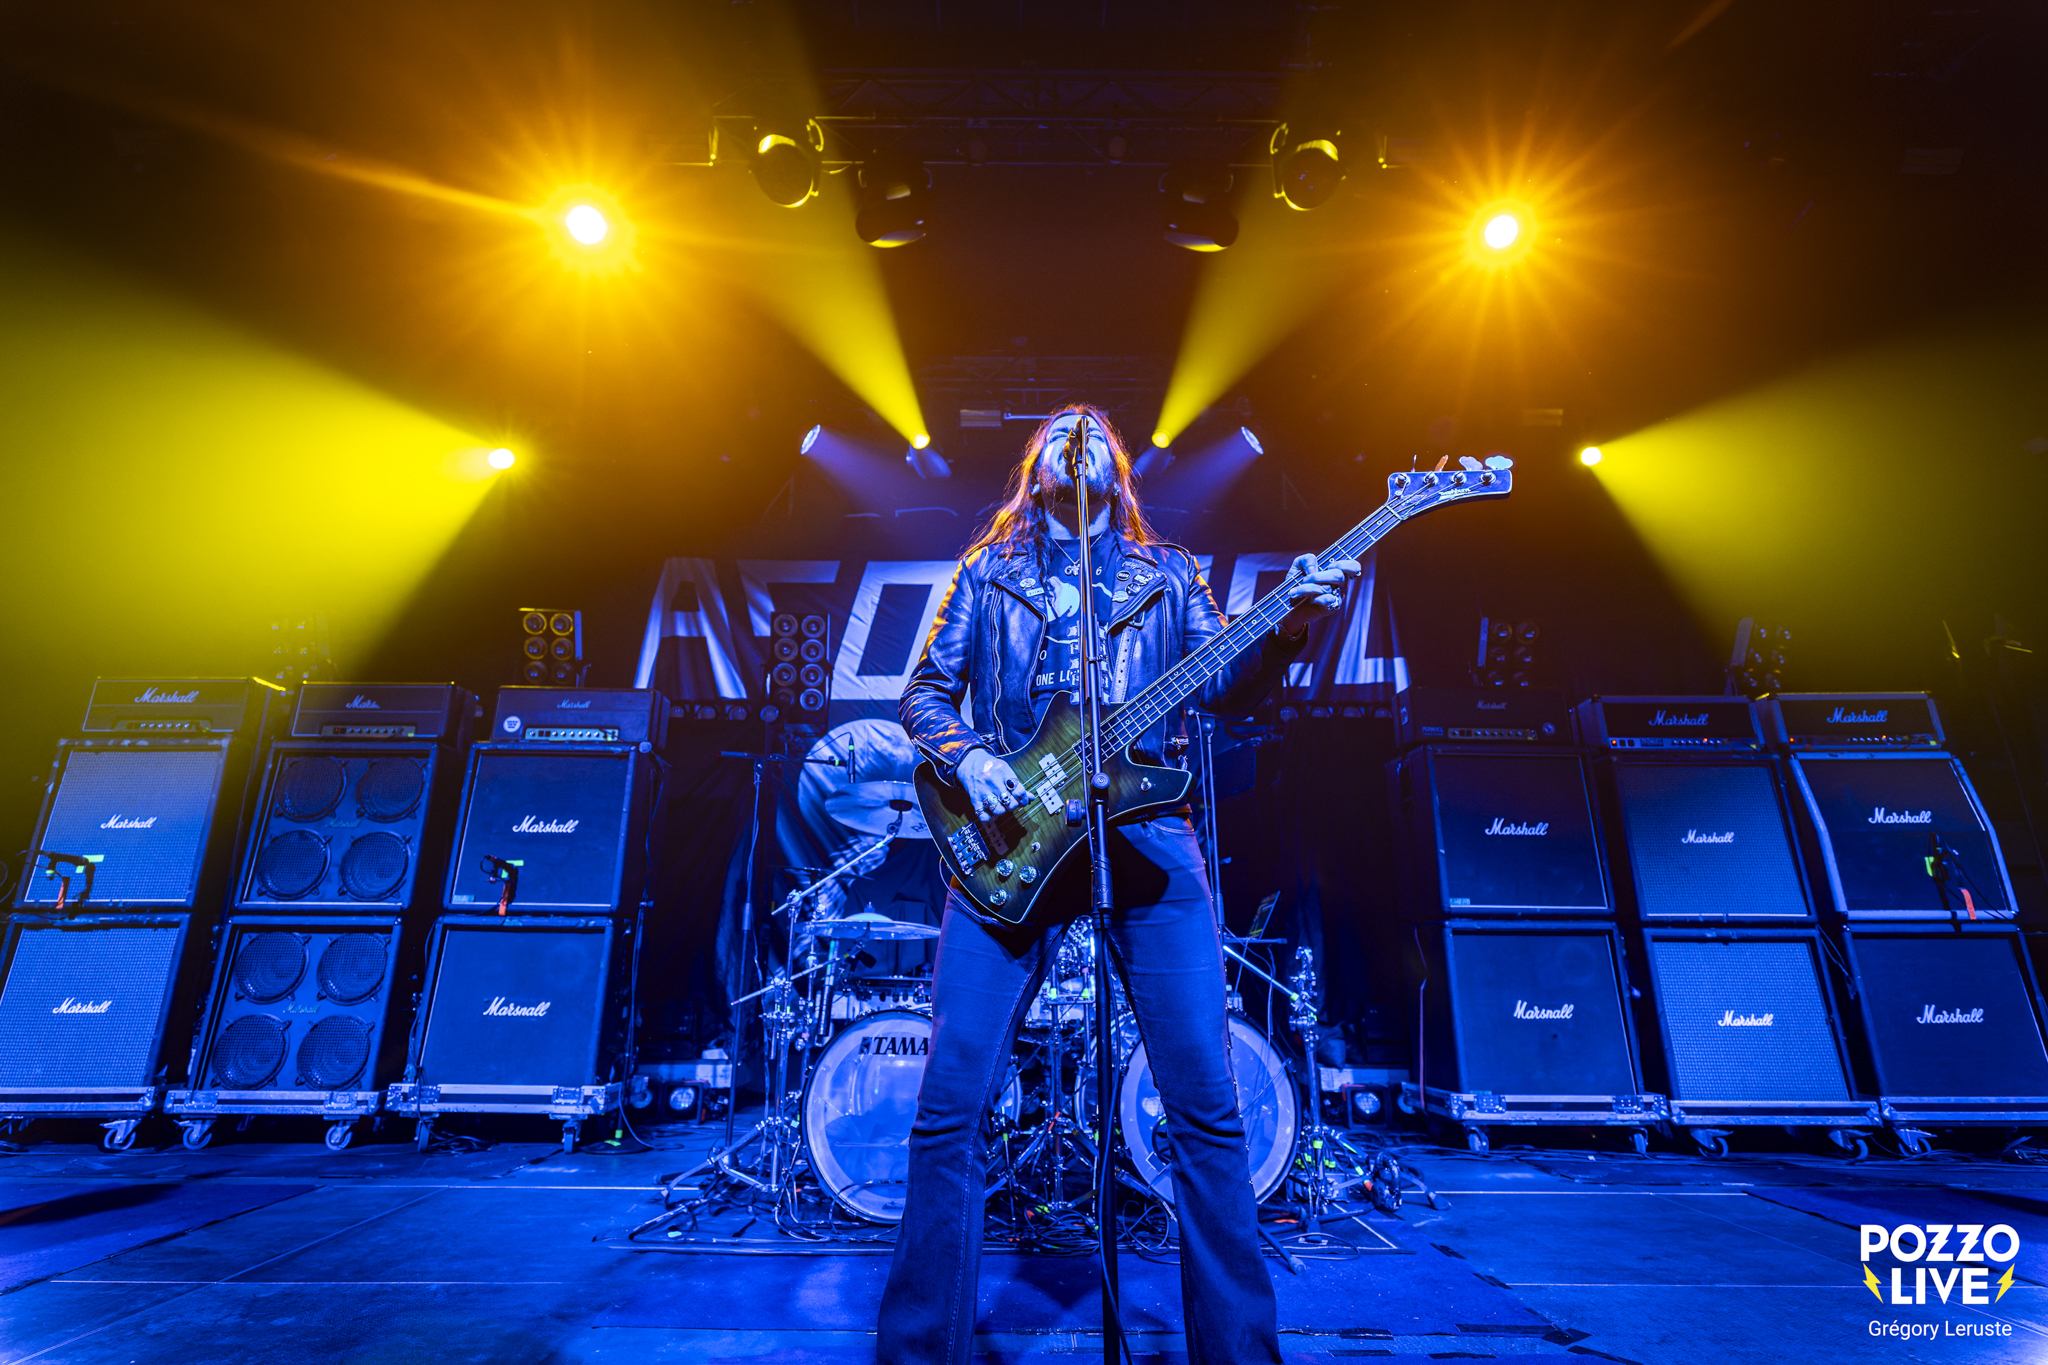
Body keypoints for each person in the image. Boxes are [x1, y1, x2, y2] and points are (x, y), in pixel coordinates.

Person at [878, 403, 1361, 1364]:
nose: (1081, 434)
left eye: (1096, 429)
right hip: (1011, 841)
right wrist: (970, 755)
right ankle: (920, 1351)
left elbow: (1226, 684)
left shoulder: (1168, 573)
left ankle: (1239, 1354)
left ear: (1121, 468)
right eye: (1063, 430)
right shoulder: (989, 571)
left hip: (1145, 836)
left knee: (1207, 1108)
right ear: (1038, 467)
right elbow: (924, 691)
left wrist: (1289, 628)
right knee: (950, 1108)